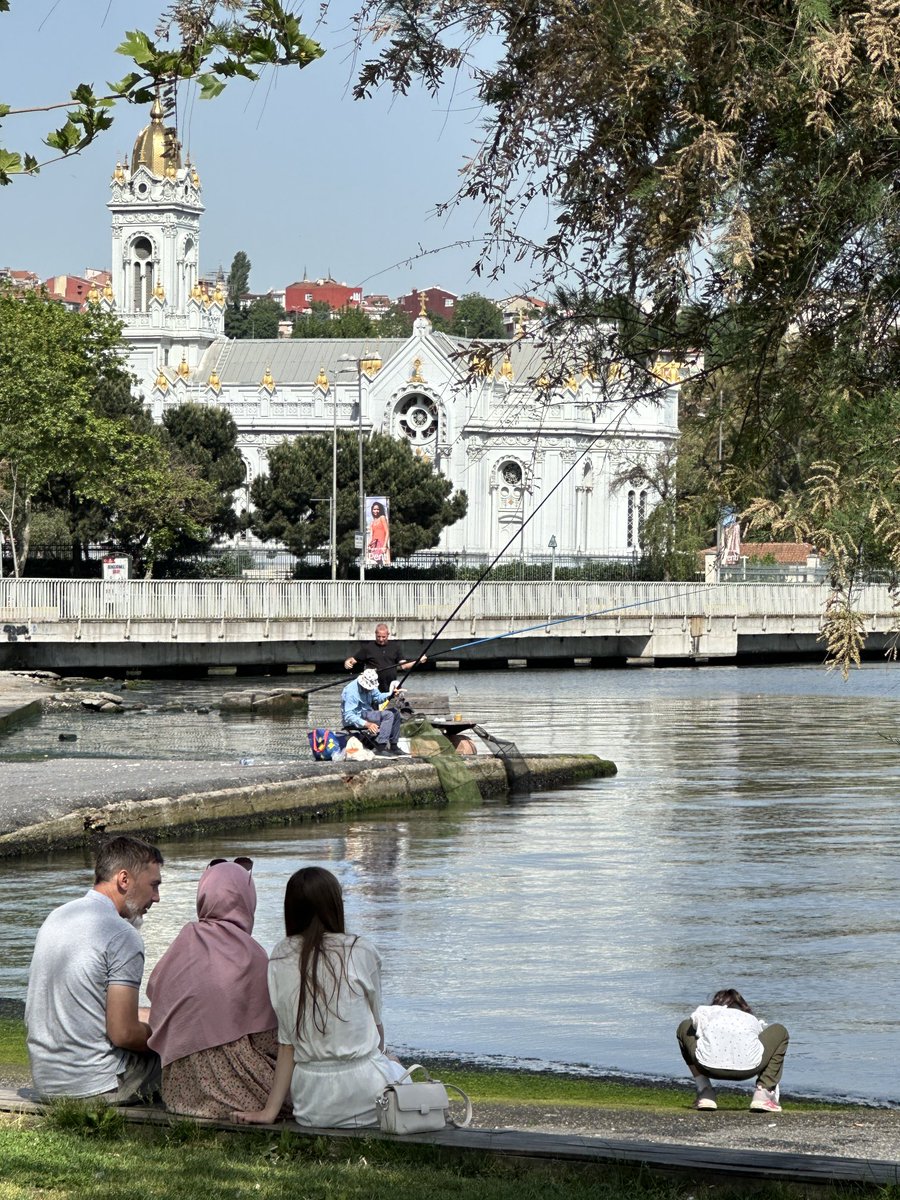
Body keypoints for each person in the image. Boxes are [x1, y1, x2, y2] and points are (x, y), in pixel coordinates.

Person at [234, 866, 406, 1128]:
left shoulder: (280, 956)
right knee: (394, 1063)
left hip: (312, 1106)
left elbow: (287, 1045)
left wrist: (269, 1112)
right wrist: (385, 1056)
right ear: (335, 905)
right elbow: (377, 1028)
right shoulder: (361, 950)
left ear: (291, 910)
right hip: (369, 1101)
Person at [25, 835, 164, 1102]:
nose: (156, 898)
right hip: (95, 1087)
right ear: (124, 880)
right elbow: (124, 1034)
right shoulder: (123, 935)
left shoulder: (57, 916)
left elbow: (88, 1006)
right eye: (154, 885)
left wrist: (155, 1017)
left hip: (47, 1081)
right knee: (187, 1054)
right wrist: (166, 1035)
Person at [145, 859, 286, 1119]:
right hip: (239, 1095)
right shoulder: (251, 955)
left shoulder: (182, 944)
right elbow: (269, 1039)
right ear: (247, 900)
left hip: (181, 1094)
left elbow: (157, 999)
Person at [676, 988, 789, 1112]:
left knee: (685, 1026)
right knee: (780, 1030)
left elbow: (694, 1021)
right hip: (749, 1068)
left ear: (716, 1004)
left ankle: (704, 1091)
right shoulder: (750, 1018)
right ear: (743, 1006)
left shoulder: (708, 1013)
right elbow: (760, 1041)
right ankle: (764, 1092)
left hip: (706, 1066)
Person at [344, 622, 426, 692]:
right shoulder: (368, 648)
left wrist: (418, 660)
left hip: (390, 687)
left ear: (388, 635)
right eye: (378, 637)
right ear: (375, 634)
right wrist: (347, 662)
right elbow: (352, 660)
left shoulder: (395, 647)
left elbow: (404, 666)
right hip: (373, 688)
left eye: (383, 637)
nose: (381, 639)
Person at [341, 667, 404, 756]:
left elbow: (378, 698)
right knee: (388, 715)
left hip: (368, 712)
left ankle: (394, 746)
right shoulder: (351, 692)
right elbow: (348, 715)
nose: (370, 690)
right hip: (357, 717)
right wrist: (367, 724)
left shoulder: (372, 685)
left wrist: (391, 694)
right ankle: (381, 747)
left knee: (395, 712)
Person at [366, 500, 391, 566]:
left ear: (380, 510)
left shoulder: (382, 518)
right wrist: (368, 545)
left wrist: (384, 545)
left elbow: (387, 532)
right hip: (375, 546)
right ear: (372, 510)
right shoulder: (372, 522)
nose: (376, 511)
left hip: (382, 545)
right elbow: (371, 535)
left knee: (385, 563)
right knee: (376, 564)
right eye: (374, 509)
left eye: (377, 509)